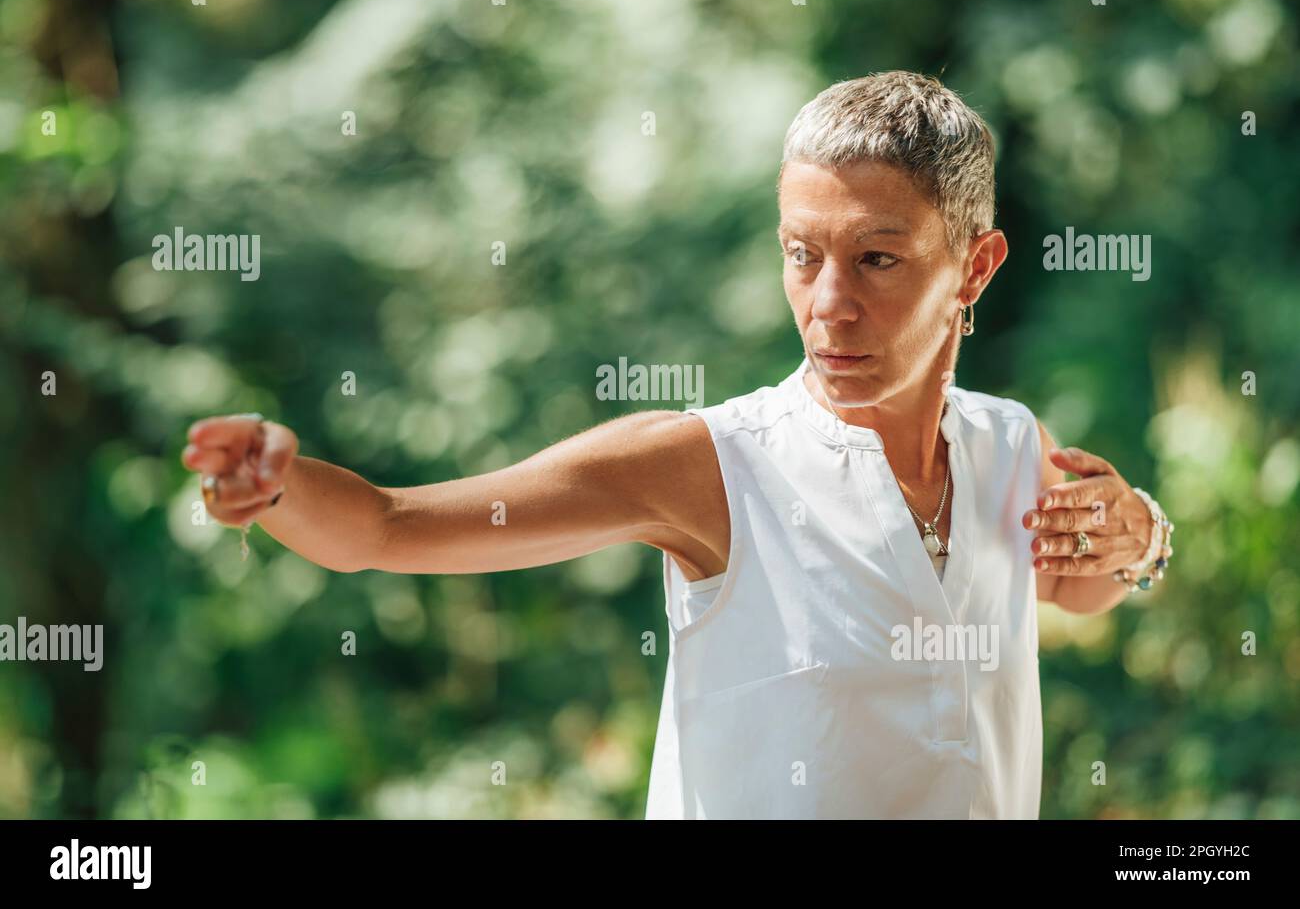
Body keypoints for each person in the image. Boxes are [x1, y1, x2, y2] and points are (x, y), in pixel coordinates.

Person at [181, 71, 1173, 818]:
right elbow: (388, 527)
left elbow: (1078, 579)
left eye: (875, 257)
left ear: (975, 267)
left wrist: (1140, 534)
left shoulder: (1006, 443)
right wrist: (276, 483)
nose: (829, 304)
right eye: (802, 254)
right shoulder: (708, 466)